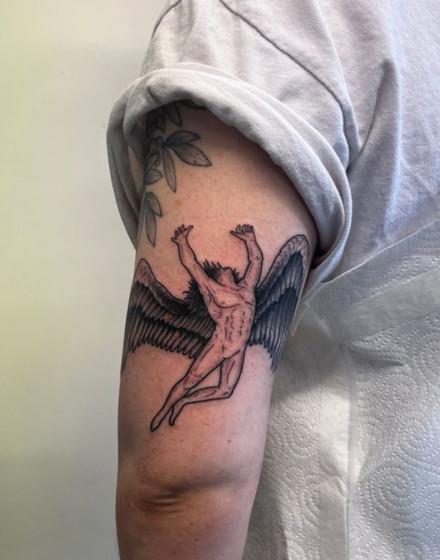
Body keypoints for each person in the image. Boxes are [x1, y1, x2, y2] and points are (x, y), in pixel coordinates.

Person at [106, 1, 440, 558]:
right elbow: (205, 275)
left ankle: (175, 405)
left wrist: (235, 244)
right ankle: (171, 407)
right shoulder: (223, 295)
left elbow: (180, 486)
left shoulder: (270, 21)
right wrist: (190, 246)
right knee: (192, 386)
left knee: (212, 390)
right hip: (226, 353)